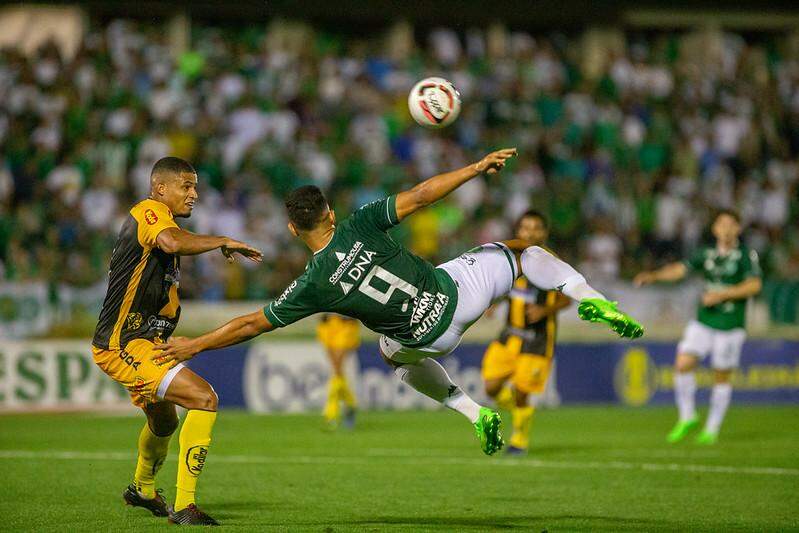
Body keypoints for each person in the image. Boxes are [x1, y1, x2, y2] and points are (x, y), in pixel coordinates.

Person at [153, 148, 643, 456]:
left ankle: (474, 413)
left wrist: (194, 345)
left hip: (429, 340)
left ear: (292, 230)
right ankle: (589, 296)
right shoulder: (361, 222)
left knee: (392, 356)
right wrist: (475, 168)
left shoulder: (312, 283)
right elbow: (423, 194)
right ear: (330, 211)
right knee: (522, 252)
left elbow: (251, 324)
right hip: (458, 295)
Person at [91, 157, 262, 525]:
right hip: (123, 345)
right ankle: (185, 506)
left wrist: (163, 333)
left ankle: (142, 489)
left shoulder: (161, 228)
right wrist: (221, 240)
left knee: (164, 422)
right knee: (204, 398)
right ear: (160, 188)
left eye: (195, 186)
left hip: (146, 342)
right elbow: (171, 241)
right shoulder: (149, 212)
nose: (194, 194)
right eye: (186, 186)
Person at [634, 210, 761, 445]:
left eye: (730, 224)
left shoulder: (745, 255)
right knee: (683, 363)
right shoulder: (706, 253)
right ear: (714, 229)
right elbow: (680, 269)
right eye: (721, 224)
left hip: (730, 324)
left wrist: (722, 295)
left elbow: (754, 285)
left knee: (720, 375)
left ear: (738, 229)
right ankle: (687, 416)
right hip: (704, 319)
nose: (725, 228)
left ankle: (711, 429)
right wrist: (653, 276)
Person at [481, 210, 570, 455]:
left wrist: (545, 310)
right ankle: (519, 409)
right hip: (510, 334)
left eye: (536, 227)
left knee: (522, 392)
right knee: (490, 388)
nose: (530, 232)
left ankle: (519, 439)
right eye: (525, 227)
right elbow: (503, 286)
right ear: (518, 231)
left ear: (544, 233)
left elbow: (567, 299)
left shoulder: (553, 264)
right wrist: (493, 302)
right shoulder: (510, 259)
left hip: (537, 340)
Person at [317, 314, 361, 429]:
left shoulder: (348, 322)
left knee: (340, 374)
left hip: (346, 326)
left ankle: (334, 414)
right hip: (329, 325)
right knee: (336, 375)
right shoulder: (326, 322)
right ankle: (348, 406)